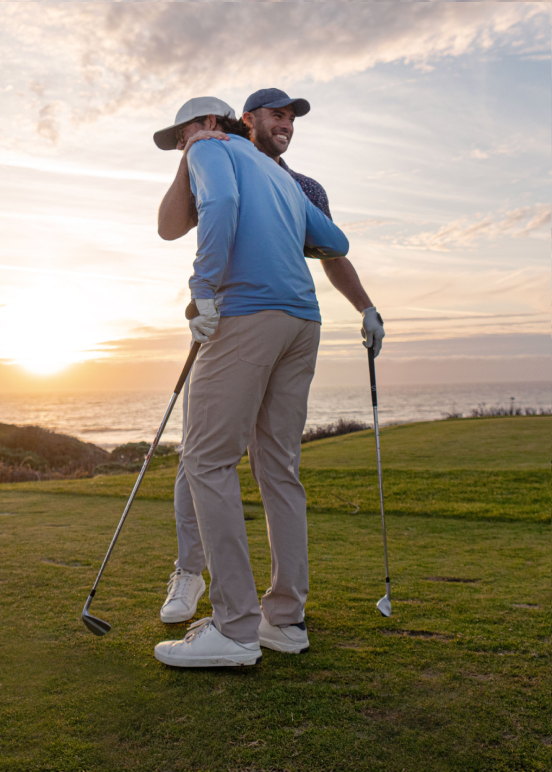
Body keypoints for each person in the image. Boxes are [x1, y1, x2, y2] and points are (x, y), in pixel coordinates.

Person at [150, 92, 383, 668]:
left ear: (204, 124)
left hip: (248, 316)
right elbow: (335, 242)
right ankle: (284, 621)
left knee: (205, 460)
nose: (182, 147)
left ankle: (233, 628)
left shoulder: (212, 145)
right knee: (277, 468)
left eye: (180, 136)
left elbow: (222, 202)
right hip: (303, 323)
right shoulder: (284, 179)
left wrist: (203, 287)